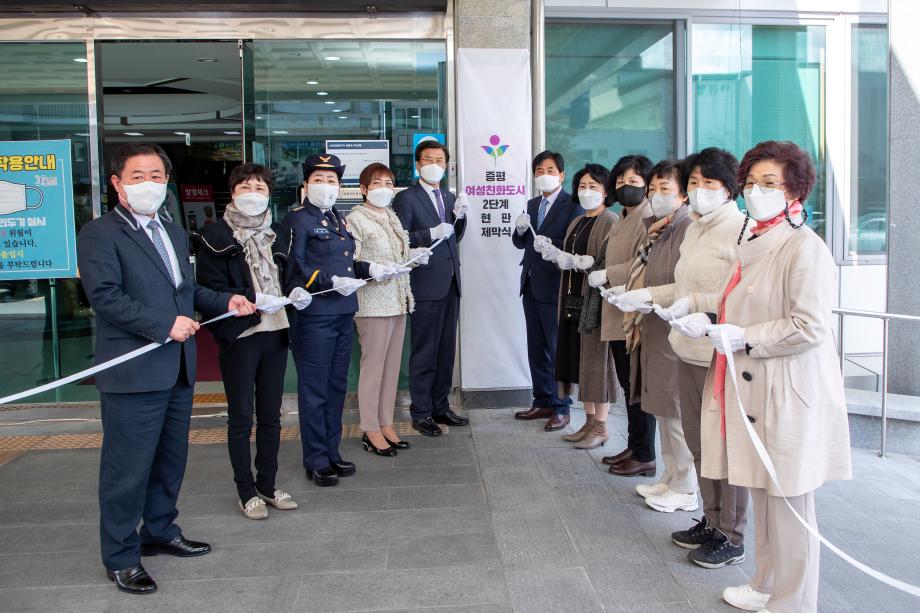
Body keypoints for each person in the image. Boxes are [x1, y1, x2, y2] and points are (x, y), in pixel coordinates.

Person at [672, 141, 851, 613]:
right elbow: (743, 303)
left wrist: (743, 336)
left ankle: (793, 600)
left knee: (789, 505)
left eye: (770, 184)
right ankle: (766, 582)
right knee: (765, 494)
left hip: (786, 390)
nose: (757, 192)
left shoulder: (804, 247)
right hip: (750, 385)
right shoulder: (753, 238)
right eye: (751, 183)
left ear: (795, 191)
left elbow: (808, 327)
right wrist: (708, 317)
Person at [77, 143, 256, 595]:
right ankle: (120, 556)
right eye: (137, 176)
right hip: (134, 371)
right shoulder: (100, 234)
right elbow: (105, 297)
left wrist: (225, 301)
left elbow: (186, 290)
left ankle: (159, 529)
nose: (149, 184)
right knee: (127, 468)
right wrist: (161, 325)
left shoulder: (174, 232)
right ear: (117, 184)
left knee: (170, 460)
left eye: (156, 175)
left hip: (177, 367)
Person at [648, 148, 751, 567]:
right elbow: (679, 286)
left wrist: (696, 303)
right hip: (687, 349)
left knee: (724, 445)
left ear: (729, 188)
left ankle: (732, 532)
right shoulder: (694, 228)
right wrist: (650, 297)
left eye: (710, 183)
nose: (700, 190)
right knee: (698, 442)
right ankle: (709, 520)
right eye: (694, 182)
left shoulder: (741, 229)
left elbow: (739, 295)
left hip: (720, 355)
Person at [196, 163, 312, 520]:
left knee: (271, 414)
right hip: (241, 334)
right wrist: (251, 296)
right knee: (241, 415)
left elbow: (290, 272)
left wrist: (296, 290)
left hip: (275, 332)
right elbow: (208, 288)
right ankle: (246, 491)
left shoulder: (277, 233)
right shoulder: (213, 236)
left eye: (260, 188)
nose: (253, 193)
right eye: (246, 187)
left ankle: (268, 483)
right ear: (233, 193)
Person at [283, 154, 399, 487]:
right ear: (305, 185)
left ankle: (331, 451)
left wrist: (370, 269)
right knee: (314, 391)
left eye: (332, 181)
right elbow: (295, 267)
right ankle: (316, 459)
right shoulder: (297, 221)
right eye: (319, 180)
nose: (326, 186)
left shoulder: (338, 219)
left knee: (336, 389)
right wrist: (327, 282)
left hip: (343, 313)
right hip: (315, 318)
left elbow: (348, 265)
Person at [609, 160, 698, 505]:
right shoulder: (660, 227)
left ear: (683, 194)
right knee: (661, 405)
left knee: (674, 410)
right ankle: (670, 476)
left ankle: (685, 486)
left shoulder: (686, 226)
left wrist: (645, 294)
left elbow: (683, 282)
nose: (656, 195)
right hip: (652, 325)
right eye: (653, 189)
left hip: (672, 327)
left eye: (665, 189)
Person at [347, 162, 426, 456]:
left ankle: (385, 423)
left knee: (392, 368)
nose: (384, 188)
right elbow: (350, 261)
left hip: (399, 300)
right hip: (372, 303)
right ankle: (369, 428)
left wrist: (414, 257)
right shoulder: (357, 219)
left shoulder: (391, 216)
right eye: (377, 183)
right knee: (373, 369)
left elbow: (400, 254)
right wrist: (374, 269)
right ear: (364, 189)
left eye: (389, 183)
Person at [587, 155, 658, 476]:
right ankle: (634, 445)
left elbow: (646, 263)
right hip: (616, 310)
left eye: (633, 182)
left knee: (638, 387)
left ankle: (645, 453)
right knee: (629, 387)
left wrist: (608, 273)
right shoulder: (624, 216)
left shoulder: (649, 217)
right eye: (620, 182)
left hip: (635, 316)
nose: (626, 187)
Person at [393, 140, 470, 436]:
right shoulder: (407, 198)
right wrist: (429, 233)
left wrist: (460, 217)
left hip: (451, 282)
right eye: (428, 159)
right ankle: (421, 411)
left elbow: (453, 237)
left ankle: (441, 406)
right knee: (425, 351)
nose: (434, 164)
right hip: (425, 284)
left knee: (446, 350)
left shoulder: (449, 197)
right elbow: (402, 239)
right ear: (417, 164)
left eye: (439, 160)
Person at [538, 163, 618, 448]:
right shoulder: (577, 221)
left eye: (593, 187)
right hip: (572, 300)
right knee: (577, 362)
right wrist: (559, 255)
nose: (587, 192)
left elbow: (610, 263)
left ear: (606, 192)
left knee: (597, 363)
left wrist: (586, 263)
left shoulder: (609, 221)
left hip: (593, 305)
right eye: (582, 186)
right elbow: (571, 257)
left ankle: (601, 427)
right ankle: (587, 422)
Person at [511, 151, 581, 431]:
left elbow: (574, 243)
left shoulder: (572, 204)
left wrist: (552, 243)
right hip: (530, 283)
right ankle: (542, 400)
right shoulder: (531, 203)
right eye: (539, 170)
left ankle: (561, 407)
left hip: (556, 287)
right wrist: (518, 230)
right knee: (536, 347)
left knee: (556, 349)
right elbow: (521, 243)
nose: (544, 174)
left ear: (562, 175)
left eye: (549, 169)